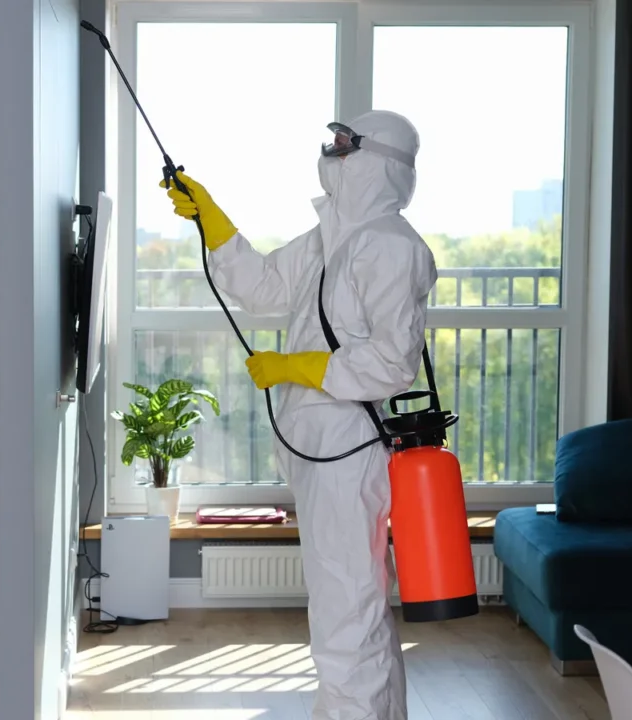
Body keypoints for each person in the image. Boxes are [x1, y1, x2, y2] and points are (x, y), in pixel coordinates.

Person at [159, 110, 438, 720]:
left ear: (380, 162)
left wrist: (296, 368)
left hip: (348, 446)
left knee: (347, 609)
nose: (333, 152)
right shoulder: (329, 239)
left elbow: (394, 363)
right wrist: (212, 217)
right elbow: (262, 287)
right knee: (349, 603)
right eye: (332, 142)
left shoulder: (391, 245)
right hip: (317, 445)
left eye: (346, 145)